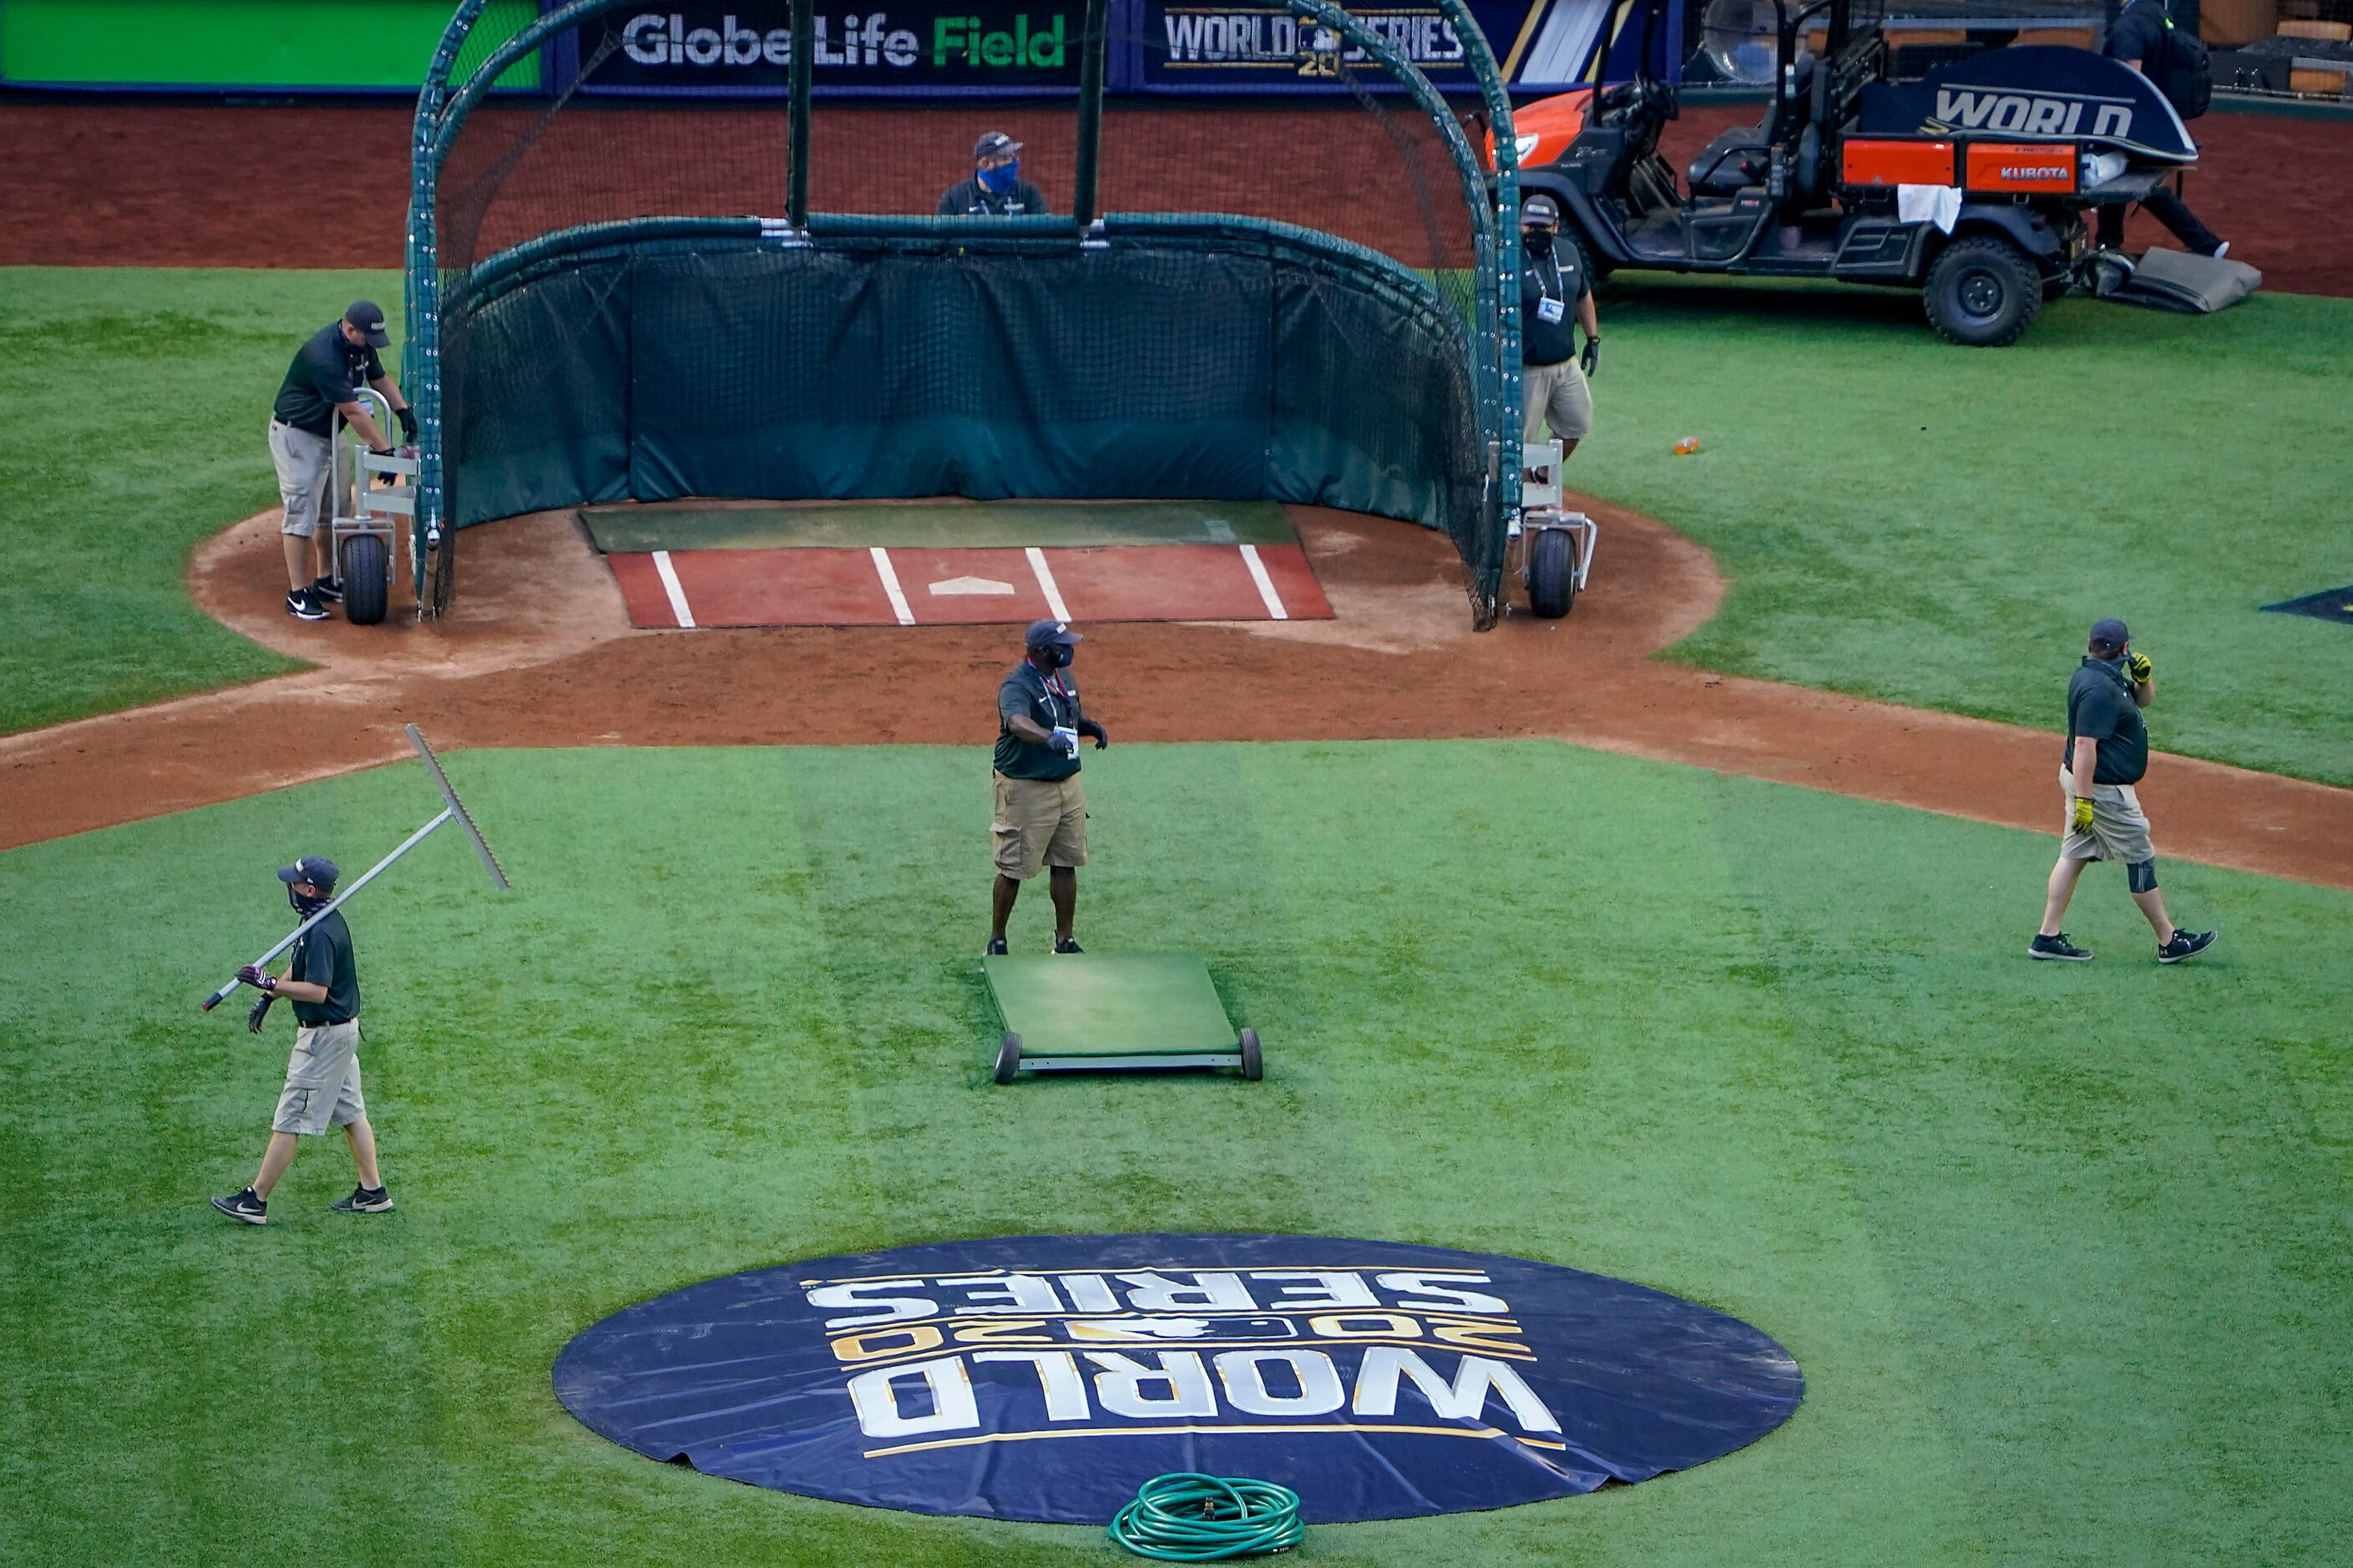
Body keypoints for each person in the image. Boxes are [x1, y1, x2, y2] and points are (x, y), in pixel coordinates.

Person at [211, 857, 392, 1223]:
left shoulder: (323, 930)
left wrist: (270, 982)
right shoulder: (316, 922)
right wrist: (270, 997)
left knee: (290, 1116)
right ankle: (372, 1192)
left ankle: (255, 1200)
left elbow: (317, 990)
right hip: (341, 1035)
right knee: (351, 1111)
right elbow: (301, 964)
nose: (289, 888)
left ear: (309, 890)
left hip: (324, 1040)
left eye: (294, 883)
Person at [2031, 619, 2216, 964]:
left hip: (2088, 784)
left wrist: (2143, 680)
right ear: (2124, 648)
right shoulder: (2099, 689)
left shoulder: (2100, 675)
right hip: (2103, 792)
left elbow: (2142, 702)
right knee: (2140, 858)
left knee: (2074, 854)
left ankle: (2047, 937)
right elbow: (2085, 745)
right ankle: (2168, 940)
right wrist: (2086, 800)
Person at [268, 301, 415, 621]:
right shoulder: (324, 357)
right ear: (351, 331)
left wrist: (403, 410)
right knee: (300, 510)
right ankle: (296, 594)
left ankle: (324, 580)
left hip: (330, 434)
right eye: (368, 339)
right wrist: (384, 450)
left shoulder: (359, 346)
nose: (371, 347)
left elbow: (379, 378)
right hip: (299, 438)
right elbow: (353, 411)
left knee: (333, 508)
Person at [988, 619, 1106, 955]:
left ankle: (1064, 940)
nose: (1069, 650)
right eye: (1062, 645)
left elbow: (1068, 716)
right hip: (1026, 787)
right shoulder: (1017, 685)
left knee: (1067, 861)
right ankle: (997, 940)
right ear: (1041, 650)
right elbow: (1017, 722)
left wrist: (1090, 727)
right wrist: (1047, 738)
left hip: (1067, 784)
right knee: (1014, 867)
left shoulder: (1062, 677)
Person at [2099, 0, 2227, 259]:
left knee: (2136, 183)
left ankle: (2206, 244)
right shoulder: (2155, 13)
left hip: (2134, 123)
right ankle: (2108, 244)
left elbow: (2130, 83)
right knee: (2119, 180)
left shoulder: (2129, 26)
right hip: (2156, 118)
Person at [1518, 194, 1600, 461]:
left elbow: (1583, 294)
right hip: (1526, 369)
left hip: (1566, 364)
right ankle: (1515, 499)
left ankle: (1542, 474)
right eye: (1530, 226)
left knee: (1576, 425)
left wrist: (1593, 339)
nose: (1536, 232)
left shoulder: (1568, 252)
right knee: (1518, 443)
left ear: (1556, 227)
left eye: (1543, 226)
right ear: (1520, 225)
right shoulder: (1509, 260)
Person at [939, 131, 1051, 217]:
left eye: (1013, 157)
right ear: (985, 163)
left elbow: (1047, 234)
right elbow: (940, 242)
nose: (1014, 162)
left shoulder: (1028, 191)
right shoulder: (954, 198)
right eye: (1006, 158)